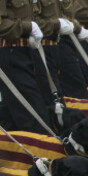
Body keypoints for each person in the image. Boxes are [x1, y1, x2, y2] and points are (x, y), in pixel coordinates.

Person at [0, 0, 51, 133]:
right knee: (34, 114)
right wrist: (28, 27)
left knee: (10, 116)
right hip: (10, 51)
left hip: (25, 51)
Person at [57, 0, 88, 99]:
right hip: (58, 38)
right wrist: (78, 28)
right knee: (75, 84)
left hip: (69, 34)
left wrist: (77, 28)